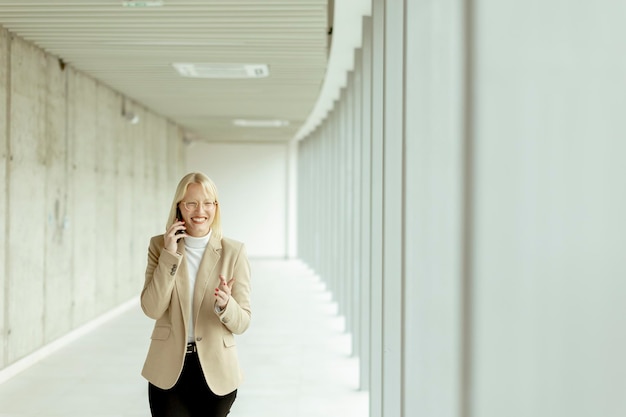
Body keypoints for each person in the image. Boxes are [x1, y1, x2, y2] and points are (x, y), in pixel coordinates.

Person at [140, 172, 251, 417]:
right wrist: (170, 255)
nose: (200, 210)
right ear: (179, 207)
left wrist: (225, 305)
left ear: (215, 207)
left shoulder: (234, 252)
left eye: (207, 203)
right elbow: (152, 308)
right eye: (191, 203)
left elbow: (243, 321)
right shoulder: (159, 246)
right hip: (168, 370)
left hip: (217, 371)